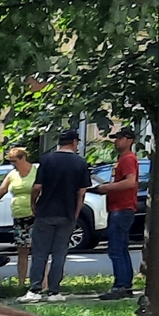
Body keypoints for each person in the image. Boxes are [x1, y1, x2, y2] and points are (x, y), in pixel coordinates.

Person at [26, 128, 93, 300]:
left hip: (45, 212)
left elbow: (37, 187)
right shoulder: (80, 163)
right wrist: (76, 213)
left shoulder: (46, 160)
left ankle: (34, 289)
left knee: (40, 252)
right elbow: (81, 192)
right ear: (74, 142)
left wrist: (34, 204)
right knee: (59, 253)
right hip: (67, 213)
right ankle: (54, 290)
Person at [0, 144, 39, 288]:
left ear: (23, 158)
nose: (12, 164)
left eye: (14, 161)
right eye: (11, 161)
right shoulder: (12, 175)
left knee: (39, 251)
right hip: (19, 217)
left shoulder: (36, 172)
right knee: (22, 251)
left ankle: (41, 284)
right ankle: (21, 283)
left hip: (35, 216)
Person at [97, 125, 142, 298]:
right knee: (121, 248)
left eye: (120, 138)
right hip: (120, 208)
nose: (116, 141)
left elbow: (131, 182)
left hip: (121, 208)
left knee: (116, 249)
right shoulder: (123, 159)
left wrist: (106, 188)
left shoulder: (128, 159)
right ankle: (125, 285)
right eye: (116, 137)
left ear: (129, 140)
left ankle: (120, 286)